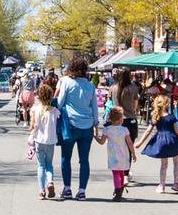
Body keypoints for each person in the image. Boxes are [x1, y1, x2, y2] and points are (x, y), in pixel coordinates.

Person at [54, 58, 100, 201]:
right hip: (87, 126)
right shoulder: (90, 86)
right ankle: (82, 191)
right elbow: (94, 107)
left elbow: (60, 103)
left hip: (71, 125)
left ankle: (67, 188)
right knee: (84, 160)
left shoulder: (67, 82)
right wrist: (96, 123)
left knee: (65, 158)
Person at [141, 93, 178, 193]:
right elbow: (177, 130)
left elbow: (148, 131)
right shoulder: (171, 117)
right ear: (167, 105)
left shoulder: (155, 117)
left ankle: (161, 185)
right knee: (176, 162)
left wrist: (140, 142)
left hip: (161, 142)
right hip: (173, 141)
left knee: (164, 164)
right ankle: (176, 183)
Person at [27, 79, 61, 200]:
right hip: (51, 141)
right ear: (51, 96)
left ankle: (41, 190)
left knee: (41, 165)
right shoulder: (55, 111)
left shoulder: (35, 109)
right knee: (49, 164)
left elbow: (32, 126)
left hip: (38, 140)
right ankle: (50, 182)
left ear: (38, 96)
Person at [94, 103, 135, 200]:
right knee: (121, 172)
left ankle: (118, 193)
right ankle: (119, 191)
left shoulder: (107, 129)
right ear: (121, 119)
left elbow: (102, 142)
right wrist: (133, 153)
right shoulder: (124, 129)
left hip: (113, 155)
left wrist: (95, 136)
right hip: (124, 155)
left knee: (116, 173)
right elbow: (129, 143)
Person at [114, 69, 143, 141]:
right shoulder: (133, 88)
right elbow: (135, 105)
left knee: (118, 147)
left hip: (117, 120)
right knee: (129, 146)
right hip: (130, 119)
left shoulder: (114, 88)